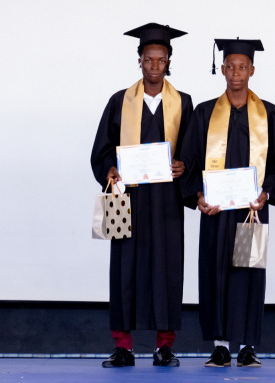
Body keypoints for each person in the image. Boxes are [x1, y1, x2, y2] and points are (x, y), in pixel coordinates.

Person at [179, 38, 275, 368]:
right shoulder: (204, 113)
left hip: (251, 212)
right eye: (231, 66)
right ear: (223, 69)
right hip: (216, 213)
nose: (236, 73)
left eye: (243, 67)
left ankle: (248, 346)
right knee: (216, 272)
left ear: (252, 70)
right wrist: (199, 196)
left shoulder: (269, 113)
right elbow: (190, 159)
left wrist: (266, 193)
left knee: (249, 274)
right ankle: (220, 345)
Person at [90, 22, 192, 368]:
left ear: (168, 62)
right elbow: (102, 150)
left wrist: (183, 167)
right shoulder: (120, 101)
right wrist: (109, 169)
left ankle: (164, 346)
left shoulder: (184, 103)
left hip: (165, 203)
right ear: (139, 60)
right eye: (148, 59)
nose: (154, 66)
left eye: (160, 60)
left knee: (167, 269)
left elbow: (193, 152)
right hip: (127, 200)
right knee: (124, 270)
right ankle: (123, 346)